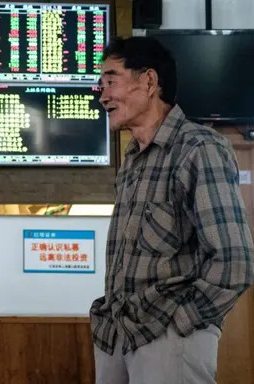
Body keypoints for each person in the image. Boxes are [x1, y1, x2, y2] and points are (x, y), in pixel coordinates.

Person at [90, 36, 254, 383]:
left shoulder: (199, 148)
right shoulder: (133, 158)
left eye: (110, 80)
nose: (102, 95)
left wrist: (181, 322)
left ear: (149, 81)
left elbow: (235, 261)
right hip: (117, 334)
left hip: (169, 338)